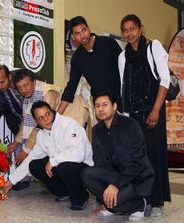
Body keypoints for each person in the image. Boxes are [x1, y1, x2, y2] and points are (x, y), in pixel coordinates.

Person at [118, 14, 171, 216]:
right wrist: (124, 116)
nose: (129, 33)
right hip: (133, 114)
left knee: (155, 154)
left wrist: (156, 109)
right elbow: (124, 86)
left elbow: (164, 79)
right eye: (125, 29)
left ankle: (157, 200)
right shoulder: (122, 57)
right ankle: (144, 198)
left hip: (153, 109)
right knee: (139, 157)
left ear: (140, 29)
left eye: (133, 28)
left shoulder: (153, 46)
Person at [4, 101, 93, 210]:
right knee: (34, 165)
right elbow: (31, 157)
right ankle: (64, 192)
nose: (46, 119)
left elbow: (78, 154)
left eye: (47, 114)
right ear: (36, 121)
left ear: (52, 112)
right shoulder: (42, 134)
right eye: (41, 118)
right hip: (62, 168)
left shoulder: (68, 124)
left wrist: (53, 161)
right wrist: (11, 181)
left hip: (83, 167)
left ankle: (81, 198)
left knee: (63, 166)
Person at [81, 91, 155, 221]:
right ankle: (111, 206)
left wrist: (115, 185)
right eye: (97, 106)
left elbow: (137, 162)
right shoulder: (97, 130)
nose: (100, 109)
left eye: (105, 105)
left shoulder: (131, 126)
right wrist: (104, 196)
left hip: (137, 178)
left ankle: (139, 205)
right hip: (116, 176)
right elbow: (99, 162)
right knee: (86, 174)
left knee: (118, 201)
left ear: (114, 106)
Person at [9, 68, 89, 166]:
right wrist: (17, 142)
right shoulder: (28, 98)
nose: (23, 90)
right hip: (60, 120)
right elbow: (26, 121)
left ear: (33, 81)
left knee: (71, 155)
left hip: (76, 114)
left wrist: (26, 149)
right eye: (19, 87)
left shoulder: (48, 93)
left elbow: (42, 123)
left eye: (26, 85)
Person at [57, 16, 122, 115]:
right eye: (77, 33)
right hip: (100, 107)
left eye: (84, 30)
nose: (82, 35)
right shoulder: (77, 58)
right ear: (73, 37)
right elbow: (71, 87)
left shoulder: (108, 43)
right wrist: (56, 117)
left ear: (89, 28)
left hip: (121, 101)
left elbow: (125, 68)